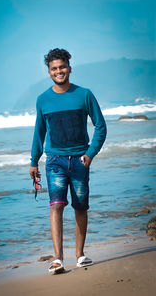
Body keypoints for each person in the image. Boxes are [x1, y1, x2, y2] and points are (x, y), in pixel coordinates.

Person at [29, 48, 107, 274]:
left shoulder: (84, 95)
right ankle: (58, 259)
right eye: (54, 69)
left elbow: (101, 126)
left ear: (69, 68)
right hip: (55, 161)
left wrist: (90, 153)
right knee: (56, 206)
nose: (59, 71)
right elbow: (39, 132)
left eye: (62, 67)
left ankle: (80, 255)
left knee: (81, 207)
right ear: (49, 72)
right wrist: (34, 160)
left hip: (80, 161)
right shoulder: (43, 100)